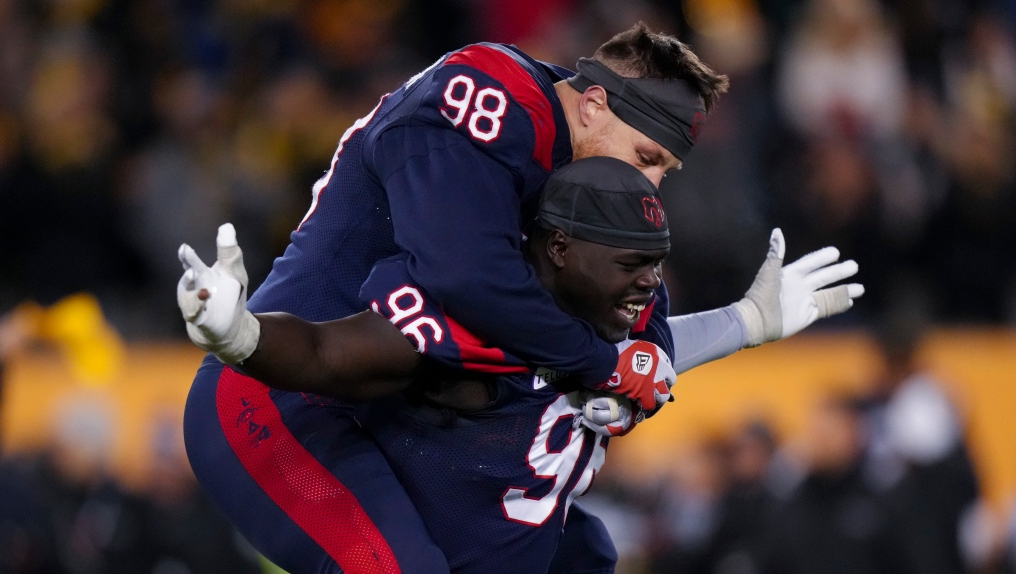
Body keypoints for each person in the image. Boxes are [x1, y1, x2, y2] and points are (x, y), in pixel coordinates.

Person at [181, 23, 863, 573]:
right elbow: (467, 277)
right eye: (648, 157)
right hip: (280, 392)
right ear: (594, 106)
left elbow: (625, 298)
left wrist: (666, 350)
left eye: (663, 170)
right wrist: (606, 367)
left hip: (403, 423)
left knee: (577, 554)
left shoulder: (582, 191)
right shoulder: (485, 98)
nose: (651, 185)